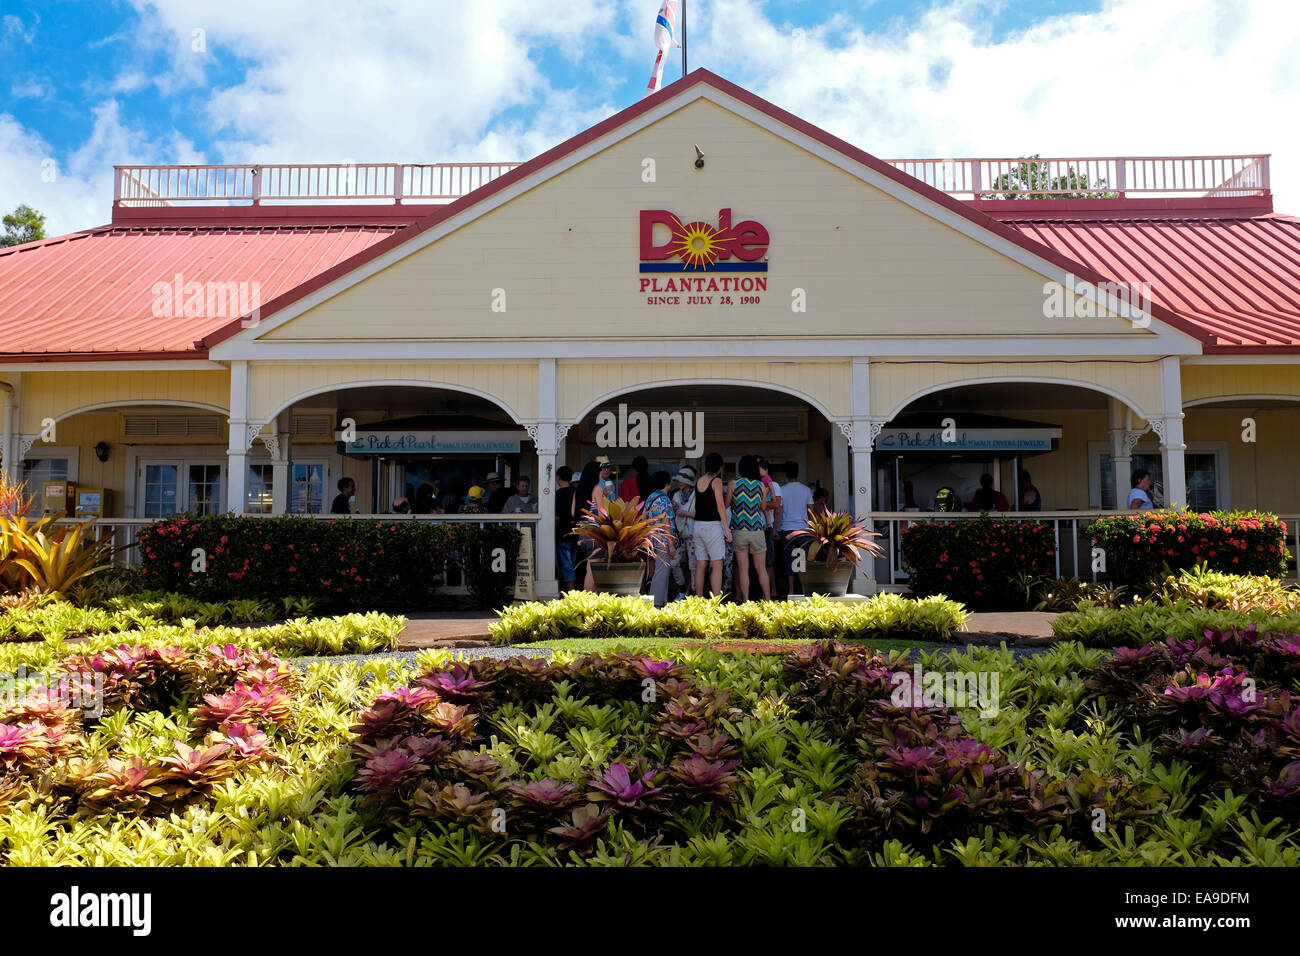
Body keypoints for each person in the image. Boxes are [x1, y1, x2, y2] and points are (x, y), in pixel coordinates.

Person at [727, 454, 771, 602]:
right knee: (761, 569)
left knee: (743, 569)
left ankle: (745, 600)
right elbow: (763, 507)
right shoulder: (761, 486)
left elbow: (727, 504)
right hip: (757, 530)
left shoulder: (734, 484)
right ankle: (768, 599)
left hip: (739, 530)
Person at [693, 453, 730, 598]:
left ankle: (699, 599)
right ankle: (715, 601)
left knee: (701, 565)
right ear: (719, 467)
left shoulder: (698, 481)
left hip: (697, 526)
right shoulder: (717, 481)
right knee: (717, 565)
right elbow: (721, 506)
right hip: (712, 527)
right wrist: (727, 529)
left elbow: (697, 505)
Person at [776, 461, 814, 598]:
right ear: (797, 472)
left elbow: (779, 510)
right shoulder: (806, 490)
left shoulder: (782, 490)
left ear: (785, 474)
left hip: (786, 530)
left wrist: (776, 528)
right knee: (802, 561)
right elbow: (811, 510)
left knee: (789, 560)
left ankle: (791, 590)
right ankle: (804, 590)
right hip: (803, 530)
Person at [573, 460, 611, 591]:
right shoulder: (597, 489)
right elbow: (602, 513)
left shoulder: (578, 491)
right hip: (594, 533)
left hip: (582, 533)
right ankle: (587, 600)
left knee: (591, 567)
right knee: (592, 570)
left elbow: (573, 512)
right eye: (601, 471)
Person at [643, 471, 677, 607]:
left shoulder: (651, 497)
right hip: (662, 539)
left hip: (651, 539)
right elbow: (666, 523)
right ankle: (654, 605)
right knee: (661, 572)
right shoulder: (664, 499)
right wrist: (671, 544)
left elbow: (644, 518)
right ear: (667, 483)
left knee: (659, 571)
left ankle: (662, 602)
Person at [670, 466, 697, 595]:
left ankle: (692, 590)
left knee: (694, 565)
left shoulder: (697, 495)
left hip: (693, 534)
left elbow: (701, 515)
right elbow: (672, 513)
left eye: (682, 480)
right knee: (674, 562)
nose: (679, 482)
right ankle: (681, 586)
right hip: (680, 534)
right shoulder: (676, 494)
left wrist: (682, 512)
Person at [554, 466, 578, 592]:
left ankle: (570, 591)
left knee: (566, 564)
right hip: (576, 532)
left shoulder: (558, 494)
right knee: (573, 563)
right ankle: (572, 590)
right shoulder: (575, 492)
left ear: (558, 478)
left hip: (562, 533)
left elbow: (557, 516)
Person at [759, 458, 782, 580]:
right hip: (757, 526)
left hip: (766, 527)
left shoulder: (769, 481)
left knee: (768, 559)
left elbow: (777, 504)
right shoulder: (758, 482)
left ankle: (769, 590)